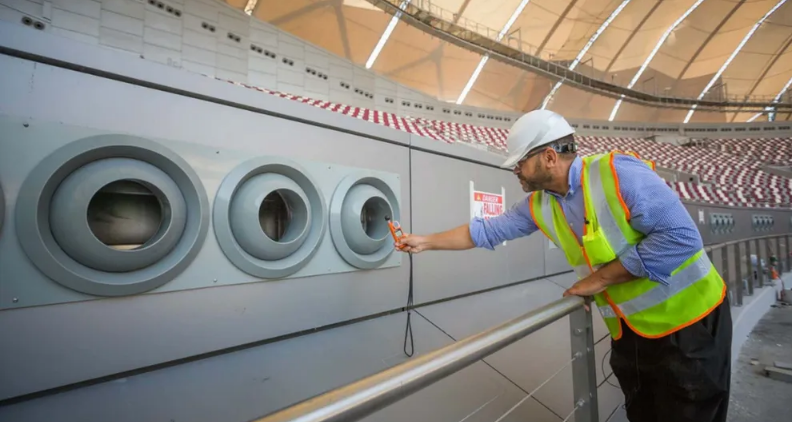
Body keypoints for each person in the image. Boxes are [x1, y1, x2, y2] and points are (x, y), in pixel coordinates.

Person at [395, 110, 732, 422]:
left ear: (549, 157)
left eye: (520, 163)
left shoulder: (620, 174)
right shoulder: (539, 205)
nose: (515, 171)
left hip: (691, 326)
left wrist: (598, 281)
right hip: (631, 335)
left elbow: (680, 237)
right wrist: (423, 241)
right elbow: (487, 230)